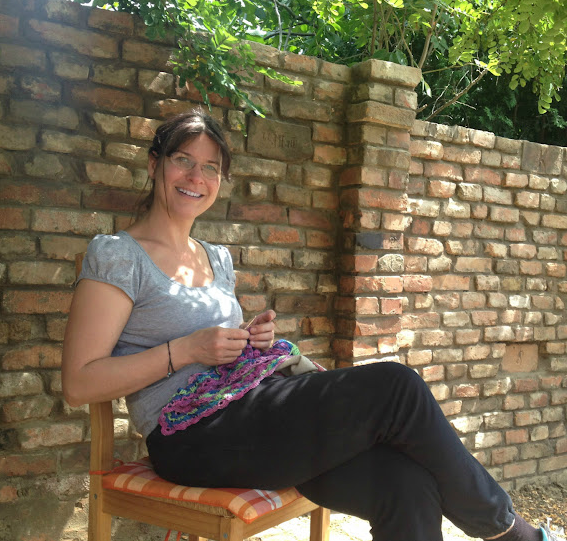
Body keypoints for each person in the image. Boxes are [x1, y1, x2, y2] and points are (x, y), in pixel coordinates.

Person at [62, 109, 563, 541]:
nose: (197, 176)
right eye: (183, 159)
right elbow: (79, 383)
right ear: (154, 164)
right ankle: (510, 533)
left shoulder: (215, 258)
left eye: (211, 167)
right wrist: (187, 350)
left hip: (251, 413)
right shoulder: (119, 256)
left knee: (406, 484)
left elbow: (217, 352)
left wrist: (250, 341)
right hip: (190, 437)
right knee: (396, 387)